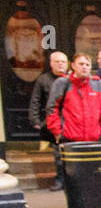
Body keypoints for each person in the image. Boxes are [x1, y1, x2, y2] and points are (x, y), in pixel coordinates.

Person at [46, 52, 101, 192]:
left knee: (92, 178)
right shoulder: (62, 83)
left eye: (87, 64)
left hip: (93, 139)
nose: (85, 67)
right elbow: (52, 109)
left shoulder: (98, 84)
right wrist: (57, 131)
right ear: (73, 65)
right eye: (81, 64)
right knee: (73, 180)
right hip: (70, 139)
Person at [28, 50, 68, 188]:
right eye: (57, 61)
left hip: (71, 122)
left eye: (63, 61)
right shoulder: (43, 79)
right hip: (54, 121)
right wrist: (35, 120)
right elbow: (36, 100)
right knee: (58, 154)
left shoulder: (71, 78)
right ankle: (60, 179)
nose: (61, 64)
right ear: (51, 63)